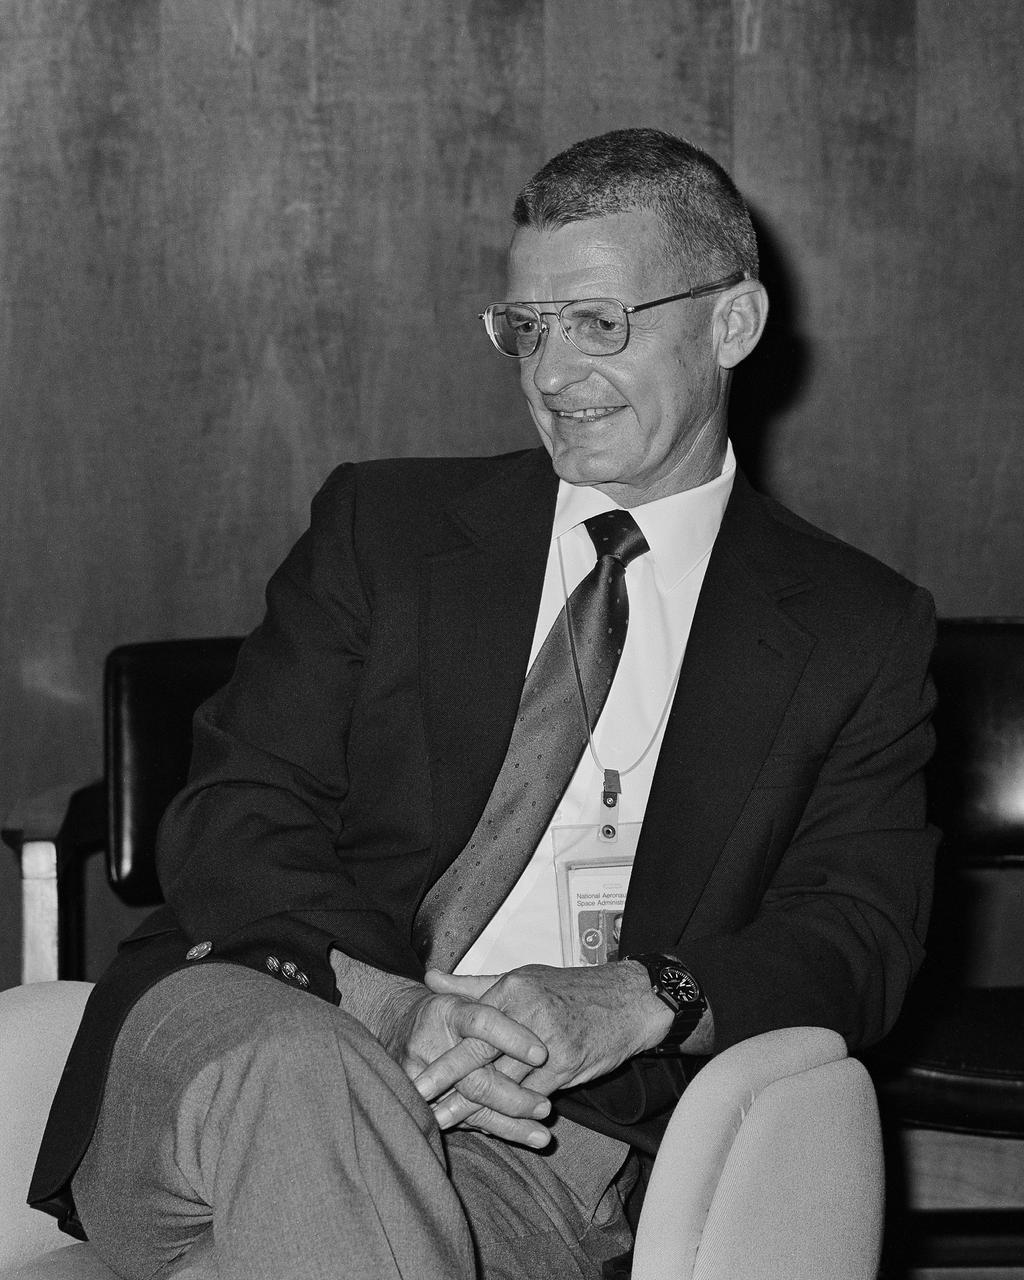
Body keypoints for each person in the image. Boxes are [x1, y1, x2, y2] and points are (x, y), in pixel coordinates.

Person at [29, 128, 937, 1280]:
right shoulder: (384, 530)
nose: (551, 377)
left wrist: (638, 997)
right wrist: (399, 1013)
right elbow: (233, 815)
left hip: (537, 1131)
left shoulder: (857, 627)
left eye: (598, 322)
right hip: (249, 1030)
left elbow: (858, 933)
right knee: (313, 1075)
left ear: (731, 323)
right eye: (526, 328)